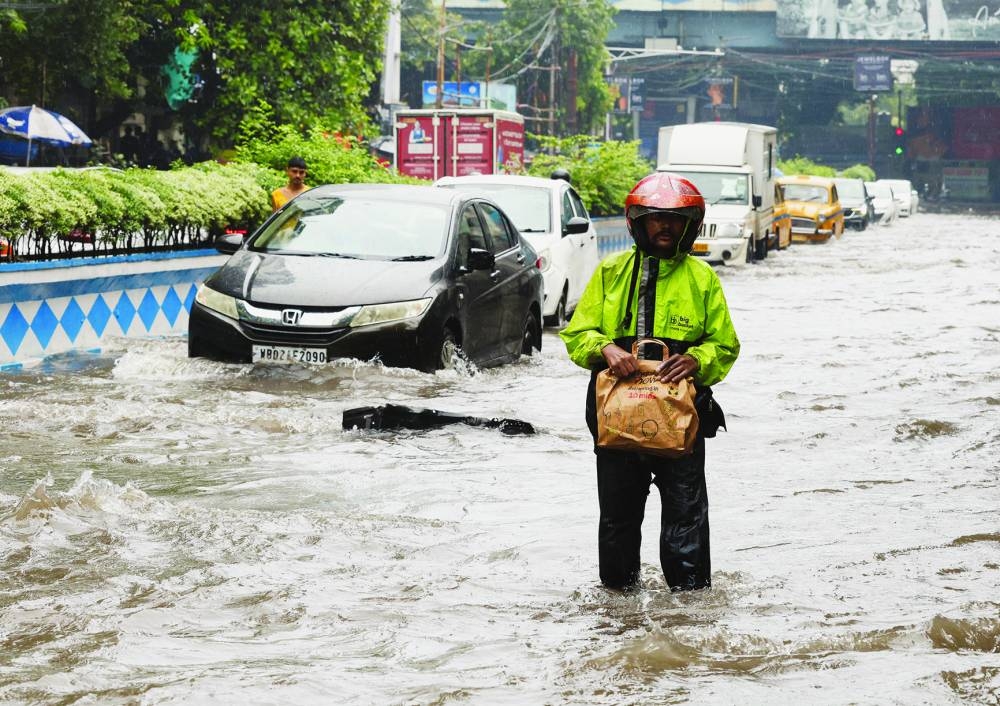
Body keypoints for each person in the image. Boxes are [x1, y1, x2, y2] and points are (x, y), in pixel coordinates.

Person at [560, 172, 740, 592]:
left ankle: (690, 613)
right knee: (618, 520)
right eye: (655, 218)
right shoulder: (610, 272)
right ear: (637, 223)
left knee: (687, 518)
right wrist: (606, 350)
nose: (664, 226)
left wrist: (696, 360)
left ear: (689, 226)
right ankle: (619, 610)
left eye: (674, 220)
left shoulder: (703, 279)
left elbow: (725, 345)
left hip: (682, 420)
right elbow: (575, 335)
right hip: (615, 422)